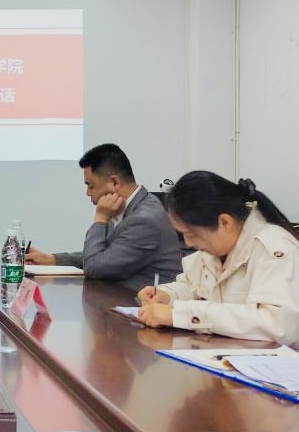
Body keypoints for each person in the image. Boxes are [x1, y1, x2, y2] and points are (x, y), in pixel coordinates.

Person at [137, 171, 299, 345]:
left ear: (224, 222)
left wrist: (181, 315)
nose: (188, 243)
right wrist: (168, 296)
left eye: (191, 234)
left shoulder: (273, 248)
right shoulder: (215, 248)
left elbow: (277, 326)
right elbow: (195, 289)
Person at [25, 143, 182, 290]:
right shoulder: (133, 206)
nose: (87, 193)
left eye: (91, 186)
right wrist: (51, 259)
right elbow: (103, 256)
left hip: (141, 303)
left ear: (114, 183)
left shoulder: (143, 220)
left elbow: (95, 267)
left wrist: (100, 218)